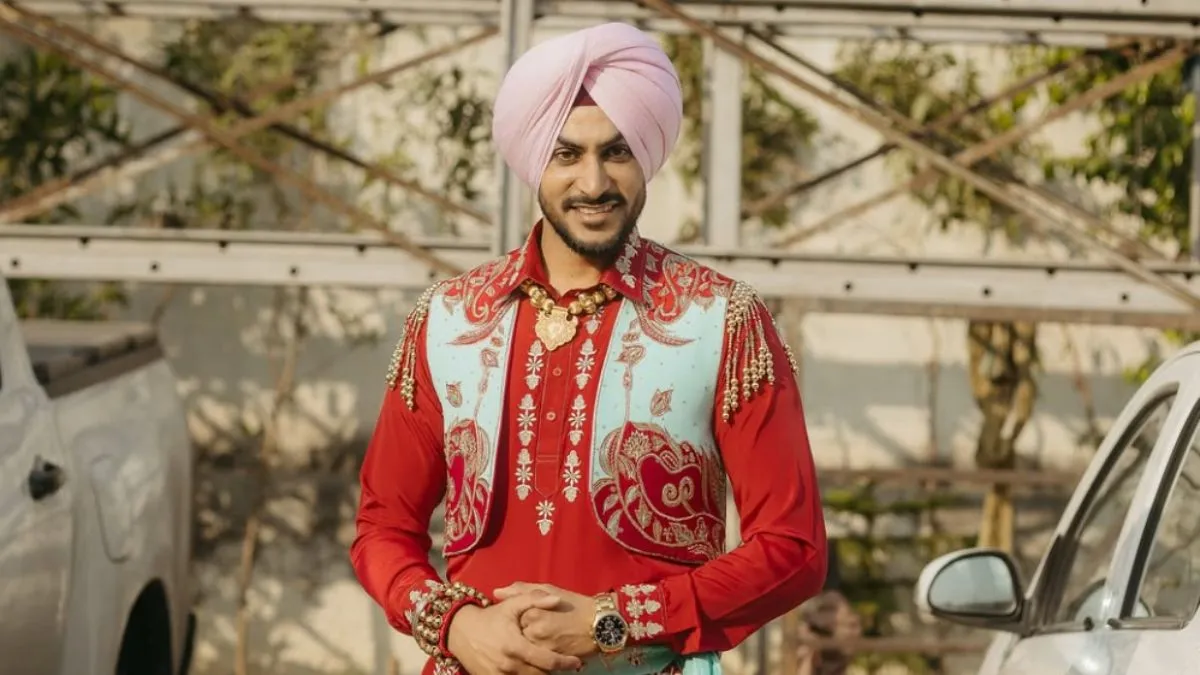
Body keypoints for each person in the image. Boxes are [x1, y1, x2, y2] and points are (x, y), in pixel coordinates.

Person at [350, 21, 828, 675]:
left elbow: (794, 548)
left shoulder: (721, 319)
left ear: (646, 159)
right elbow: (382, 528)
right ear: (534, 161)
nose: (593, 181)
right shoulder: (449, 318)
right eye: (567, 154)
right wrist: (457, 625)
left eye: (618, 152)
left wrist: (613, 621)